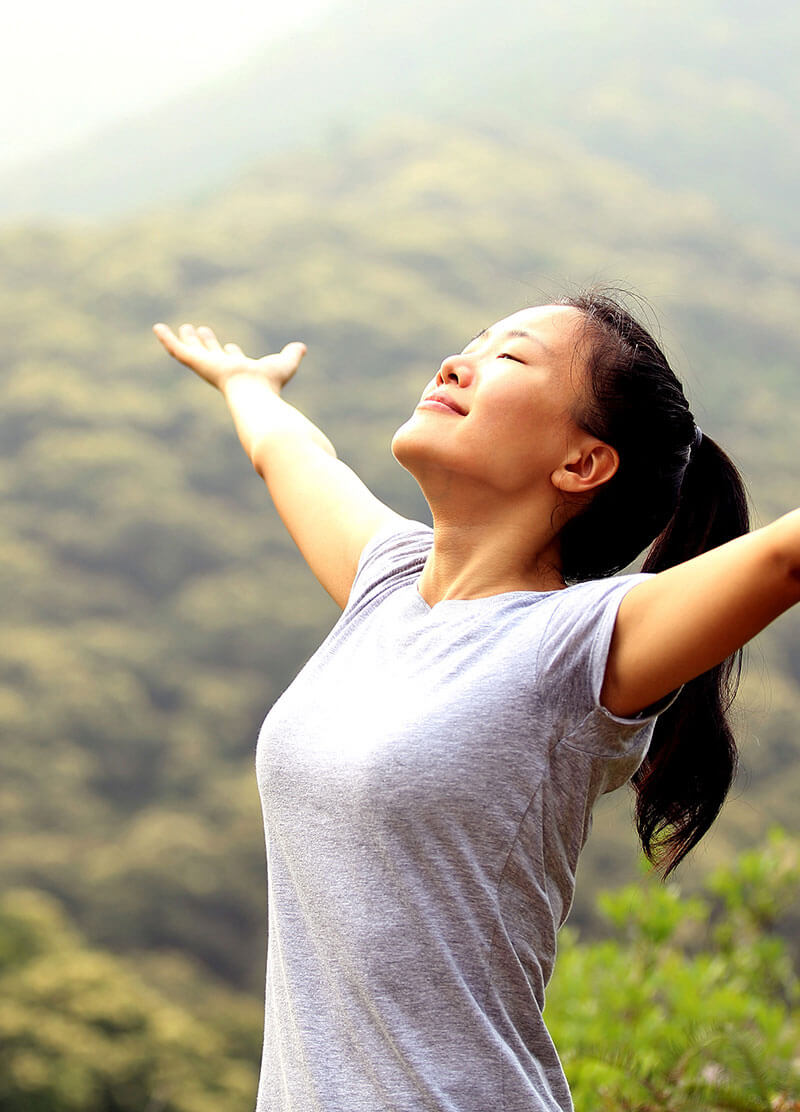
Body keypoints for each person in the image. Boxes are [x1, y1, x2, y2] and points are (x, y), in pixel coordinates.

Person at [153, 288, 799, 1112]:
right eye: (474, 340)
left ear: (582, 463)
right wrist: (245, 383)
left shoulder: (582, 643)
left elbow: (785, 558)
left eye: (510, 357)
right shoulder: (382, 584)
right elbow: (289, 451)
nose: (458, 362)